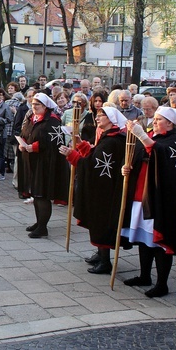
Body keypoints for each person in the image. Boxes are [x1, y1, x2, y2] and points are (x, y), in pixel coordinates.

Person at [120, 107, 176, 297]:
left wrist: (142, 136)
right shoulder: (152, 136)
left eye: (159, 119)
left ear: (170, 123)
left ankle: (162, 283)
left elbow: (159, 153)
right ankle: (144, 275)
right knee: (144, 238)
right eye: (155, 119)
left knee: (158, 242)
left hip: (161, 197)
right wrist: (128, 167)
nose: (155, 122)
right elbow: (141, 156)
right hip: (141, 194)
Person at [60, 107, 127, 274]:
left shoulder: (112, 141)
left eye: (101, 115)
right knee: (97, 221)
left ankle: (105, 262)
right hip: (100, 187)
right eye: (97, 115)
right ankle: (100, 254)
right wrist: (82, 145)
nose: (97, 118)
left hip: (104, 189)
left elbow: (93, 165)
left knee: (101, 222)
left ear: (111, 119)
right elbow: (95, 156)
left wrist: (72, 155)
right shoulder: (108, 138)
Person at [19, 93, 69, 237]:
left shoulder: (52, 121)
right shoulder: (31, 118)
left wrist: (34, 147)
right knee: (35, 193)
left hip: (45, 162)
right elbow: (25, 132)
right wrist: (22, 143)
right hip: (32, 161)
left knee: (42, 194)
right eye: (33, 104)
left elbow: (53, 142)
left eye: (37, 105)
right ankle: (39, 222)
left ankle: (43, 227)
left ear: (45, 106)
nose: (34, 107)